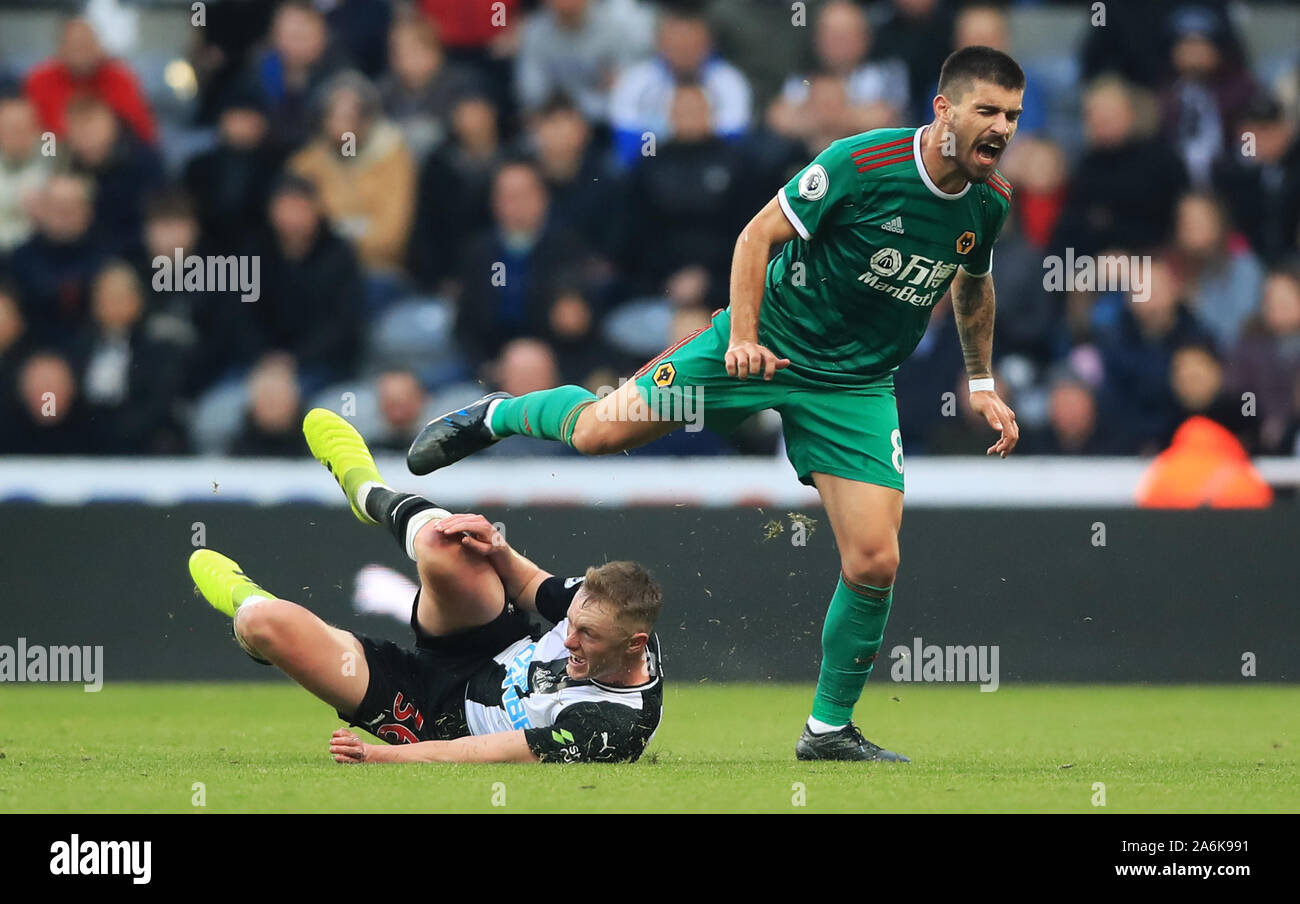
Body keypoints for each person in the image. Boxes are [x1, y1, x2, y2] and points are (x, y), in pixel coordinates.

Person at [409, 46, 1028, 762]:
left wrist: (980, 381)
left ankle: (828, 730)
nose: (1002, 128)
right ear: (944, 109)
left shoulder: (990, 202)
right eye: (988, 110)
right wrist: (742, 335)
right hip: (764, 343)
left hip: (853, 386)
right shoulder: (862, 163)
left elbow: (973, 283)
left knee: (875, 561)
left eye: (1012, 115)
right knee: (600, 432)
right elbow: (757, 235)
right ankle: (496, 414)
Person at [189, 409, 663, 764]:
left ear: (634, 643)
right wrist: (498, 548)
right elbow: (532, 585)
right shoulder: (601, 603)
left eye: (587, 636)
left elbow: (489, 753)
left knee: (263, 622)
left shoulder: (613, 726)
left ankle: (251, 617)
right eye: (572, 624)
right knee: (446, 540)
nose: (570, 639)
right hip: (491, 641)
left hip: (438, 716)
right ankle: (368, 491)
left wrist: (380, 756)